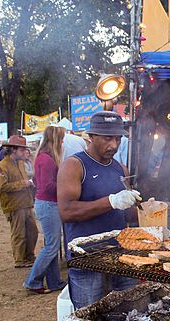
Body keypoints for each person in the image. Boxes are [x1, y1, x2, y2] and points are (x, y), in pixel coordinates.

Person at [57, 111, 142, 309]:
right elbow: (66, 211)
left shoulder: (121, 169)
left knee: (130, 310)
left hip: (119, 253)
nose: (113, 144)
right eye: (107, 138)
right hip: (86, 255)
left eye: (118, 138)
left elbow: (127, 214)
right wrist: (111, 201)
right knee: (89, 314)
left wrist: (146, 208)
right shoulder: (74, 165)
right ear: (91, 136)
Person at [23, 126, 67, 294]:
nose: (63, 143)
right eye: (61, 139)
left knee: (52, 245)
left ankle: (54, 281)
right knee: (52, 246)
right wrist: (66, 186)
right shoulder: (47, 159)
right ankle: (32, 282)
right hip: (48, 204)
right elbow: (48, 185)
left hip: (47, 203)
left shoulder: (43, 157)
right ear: (55, 140)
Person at [0, 135, 38, 268]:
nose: (24, 152)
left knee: (32, 232)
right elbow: (1, 187)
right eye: (21, 149)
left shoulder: (20, 163)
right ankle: (19, 260)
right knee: (19, 233)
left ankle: (29, 256)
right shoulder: (2, 166)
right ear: (13, 150)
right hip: (14, 205)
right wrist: (23, 184)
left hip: (26, 203)